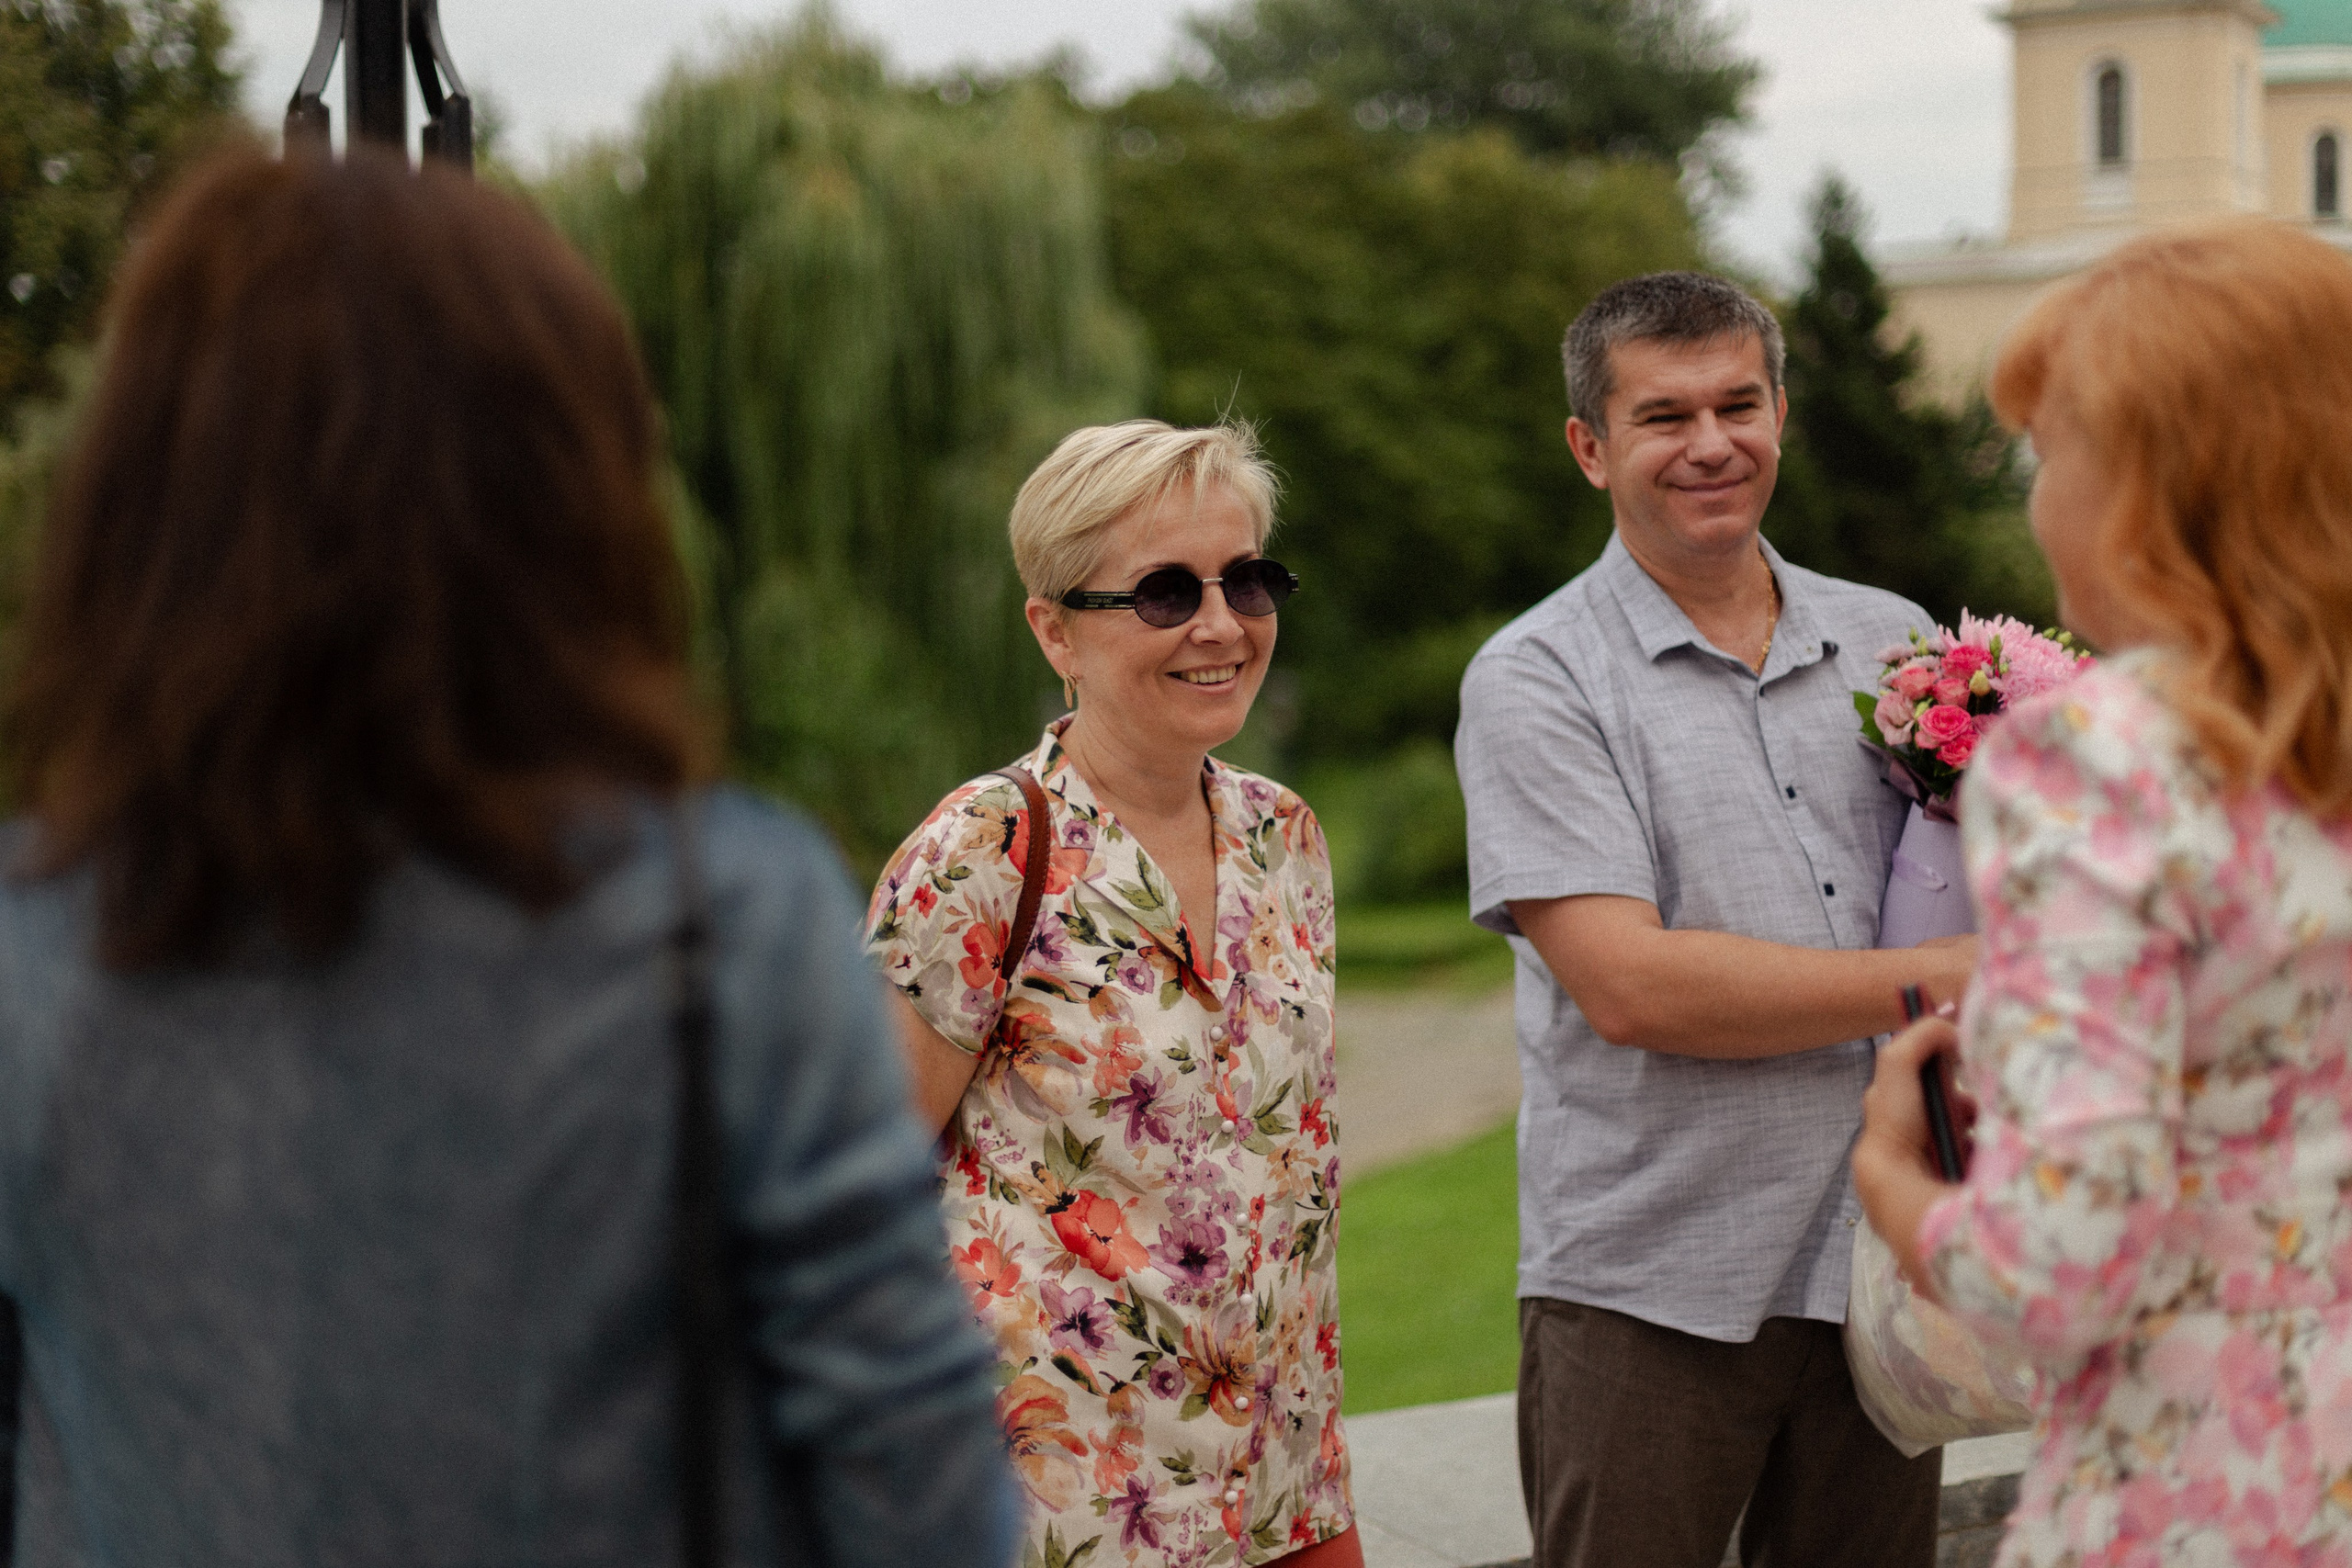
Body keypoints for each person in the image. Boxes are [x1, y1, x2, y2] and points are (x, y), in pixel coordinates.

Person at [0, 145, 1013, 1566]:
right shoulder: (718, 919)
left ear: (139, 493)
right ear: (563, 482)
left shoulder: (28, 957)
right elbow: (912, 1479)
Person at [1453, 271, 1982, 1568]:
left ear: (1782, 414)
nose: (1710, 444)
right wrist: (1941, 975)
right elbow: (1632, 986)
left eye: (1738, 404)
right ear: (1591, 447)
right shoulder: (1537, 678)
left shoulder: (1897, 643)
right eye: (1663, 415)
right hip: (1652, 1282)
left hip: (1881, 1263)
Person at [1855, 220, 2352, 1564]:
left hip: (2209, 1486)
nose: (2036, 498)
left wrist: (1898, 1181)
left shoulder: (2107, 757)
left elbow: (2055, 1268)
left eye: (2050, 449)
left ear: (2154, 484)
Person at [864, 421, 1359, 1568]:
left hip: (1280, 1488)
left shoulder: (1285, 836)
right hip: (1055, 1511)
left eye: (1248, 580)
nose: (1221, 623)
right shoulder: (983, 849)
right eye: (1164, 592)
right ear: (1055, 632)